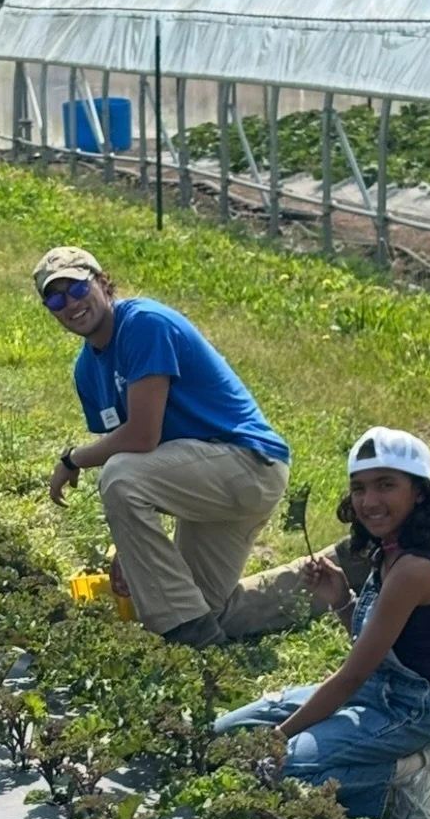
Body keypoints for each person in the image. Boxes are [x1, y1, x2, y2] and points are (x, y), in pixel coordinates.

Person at [214, 427, 430, 819]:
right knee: (224, 739)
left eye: (386, 485)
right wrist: (341, 599)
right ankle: (353, 756)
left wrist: (278, 737)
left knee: (276, 771)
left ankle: (410, 771)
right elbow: (382, 650)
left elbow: (353, 674)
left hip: (412, 710)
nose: (369, 501)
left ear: (419, 492)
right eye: (359, 488)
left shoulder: (414, 569)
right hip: (376, 692)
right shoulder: (389, 551)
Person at [35, 246, 290, 648]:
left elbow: (141, 437)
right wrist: (134, 551)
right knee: (203, 604)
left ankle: (189, 640)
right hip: (207, 478)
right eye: (55, 298)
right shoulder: (87, 370)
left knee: (117, 475)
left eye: (78, 288)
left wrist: (72, 459)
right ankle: (328, 582)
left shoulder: (143, 324)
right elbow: (142, 457)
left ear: (103, 284)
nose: (70, 304)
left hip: (247, 463)